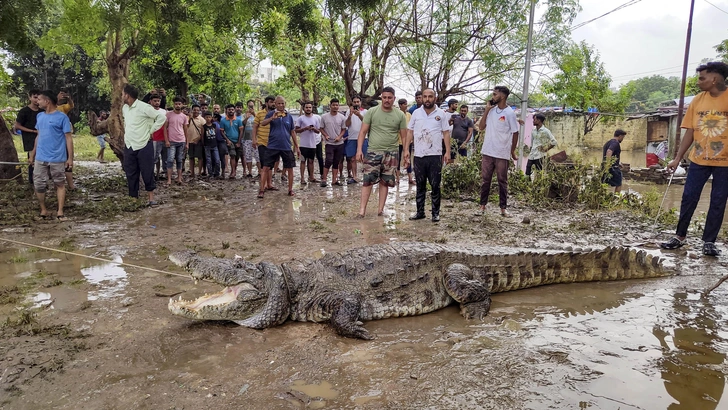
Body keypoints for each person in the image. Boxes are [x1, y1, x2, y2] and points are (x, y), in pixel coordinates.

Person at [661, 62, 728, 257]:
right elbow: (691, 131)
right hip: (698, 160)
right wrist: (677, 158)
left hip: (725, 163)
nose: (698, 82)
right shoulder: (698, 101)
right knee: (689, 197)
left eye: (702, 78)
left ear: (714, 79)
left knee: (718, 201)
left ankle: (709, 242)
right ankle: (679, 236)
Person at [355, 86, 407, 217]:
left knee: (385, 182)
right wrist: (359, 150)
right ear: (381, 98)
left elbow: (404, 136)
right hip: (373, 152)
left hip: (392, 153)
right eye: (384, 97)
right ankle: (362, 211)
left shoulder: (400, 115)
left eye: (390, 98)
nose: (387, 100)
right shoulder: (372, 112)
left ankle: (380, 210)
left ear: (394, 99)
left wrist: (406, 152)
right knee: (368, 181)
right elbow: (362, 132)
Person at [403, 89, 451, 222]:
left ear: (435, 98)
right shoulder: (416, 113)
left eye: (430, 96)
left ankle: (435, 213)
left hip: (435, 155)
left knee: (435, 185)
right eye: (425, 97)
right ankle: (420, 212)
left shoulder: (441, 114)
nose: (427, 99)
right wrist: (406, 149)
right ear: (422, 98)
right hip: (419, 155)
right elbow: (409, 131)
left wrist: (447, 151)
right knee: (420, 185)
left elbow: (446, 133)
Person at [29, 90, 73, 221]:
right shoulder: (40, 116)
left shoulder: (62, 117)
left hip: (57, 158)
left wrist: (70, 158)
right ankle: (43, 209)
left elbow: (68, 138)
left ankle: (60, 211)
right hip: (40, 157)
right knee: (39, 184)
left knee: (59, 183)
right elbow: (38, 136)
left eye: (40, 99)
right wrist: (32, 154)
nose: (37, 101)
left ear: (47, 101)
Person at [477, 85, 519, 217]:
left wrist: (512, 151)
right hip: (488, 151)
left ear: (503, 96)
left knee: (502, 180)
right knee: (485, 180)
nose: (493, 97)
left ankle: (503, 208)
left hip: (502, 152)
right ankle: (482, 207)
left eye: (495, 94)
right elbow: (482, 127)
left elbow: (515, 133)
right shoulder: (491, 110)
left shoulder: (509, 113)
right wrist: (486, 111)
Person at [121, 84, 166, 204]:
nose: (121, 96)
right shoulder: (125, 108)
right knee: (130, 172)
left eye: (122, 94)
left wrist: (151, 130)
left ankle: (151, 198)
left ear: (127, 95)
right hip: (129, 144)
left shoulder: (144, 107)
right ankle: (133, 198)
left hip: (144, 144)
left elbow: (161, 117)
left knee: (147, 171)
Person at [259, 96, 299, 197]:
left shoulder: (289, 116)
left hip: (286, 146)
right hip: (272, 145)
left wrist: (297, 146)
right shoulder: (271, 113)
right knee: (266, 167)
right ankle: (262, 190)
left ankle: (290, 190)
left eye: (283, 103)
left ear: (285, 104)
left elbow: (292, 132)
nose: (281, 105)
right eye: (279, 103)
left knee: (290, 168)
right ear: (275, 104)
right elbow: (262, 123)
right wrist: (272, 118)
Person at [15, 89, 42, 185]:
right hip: (30, 138)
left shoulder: (43, 111)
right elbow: (17, 126)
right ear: (30, 97)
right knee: (32, 159)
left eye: (39, 98)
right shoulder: (24, 111)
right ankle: (32, 181)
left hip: (42, 138)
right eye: (35, 97)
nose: (37, 100)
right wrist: (33, 131)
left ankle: (41, 181)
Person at [320, 98, 347, 187]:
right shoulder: (324, 117)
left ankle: (334, 180)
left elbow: (343, 129)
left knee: (336, 161)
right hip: (329, 143)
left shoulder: (342, 117)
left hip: (339, 143)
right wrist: (326, 135)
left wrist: (339, 137)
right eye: (333, 105)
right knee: (328, 160)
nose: (335, 107)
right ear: (330, 106)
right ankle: (324, 179)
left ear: (338, 106)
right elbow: (321, 128)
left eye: (337, 105)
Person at [253, 96, 276, 191]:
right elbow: (255, 127)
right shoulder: (259, 113)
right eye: (271, 102)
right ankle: (264, 184)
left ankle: (269, 184)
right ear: (266, 103)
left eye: (274, 102)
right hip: (262, 142)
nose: (273, 104)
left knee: (270, 164)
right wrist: (254, 139)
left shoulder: (277, 114)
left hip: (273, 142)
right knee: (264, 163)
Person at [295, 101, 321, 184]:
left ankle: (311, 177)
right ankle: (302, 178)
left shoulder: (316, 118)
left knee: (311, 161)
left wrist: (313, 129)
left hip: (313, 144)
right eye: (306, 107)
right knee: (303, 161)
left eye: (310, 107)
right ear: (304, 108)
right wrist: (305, 128)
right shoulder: (300, 118)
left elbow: (318, 131)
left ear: (312, 108)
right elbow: (296, 130)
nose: (308, 109)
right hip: (303, 144)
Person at [165, 96, 189, 185]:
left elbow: (186, 130)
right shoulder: (168, 114)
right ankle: (169, 179)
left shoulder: (184, 117)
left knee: (179, 159)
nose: (177, 105)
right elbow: (165, 128)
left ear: (182, 105)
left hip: (181, 140)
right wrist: (166, 140)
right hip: (171, 141)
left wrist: (187, 142)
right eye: (176, 104)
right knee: (170, 159)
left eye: (179, 104)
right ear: (173, 104)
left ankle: (179, 178)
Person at [344, 95, 367, 184]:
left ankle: (366, 176)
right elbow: (347, 124)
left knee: (364, 158)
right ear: (352, 103)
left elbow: (366, 122)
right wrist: (350, 115)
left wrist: (359, 115)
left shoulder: (365, 112)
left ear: (360, 103)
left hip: (364, 138)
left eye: (358, 102)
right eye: (355, 102)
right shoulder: (348, 112)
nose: (356, 103)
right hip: (352, 137)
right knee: (352, 159)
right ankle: (355, 176)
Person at [526, 113, 557, 177]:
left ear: (539, 120)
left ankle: (538, 186)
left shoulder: (546, 131)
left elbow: (554, 142)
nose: (533, 121)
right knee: (527, 172)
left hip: (540, 155)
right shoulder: (533, 131)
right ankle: (528, 185)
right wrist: (531, 149)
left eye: (534, 119)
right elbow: (532, 142)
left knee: (539, 173)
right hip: (532, 154)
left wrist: (546, 149)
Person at [220, 104, 244, 179]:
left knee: (237, 157)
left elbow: (241, 131)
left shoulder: (238, 120)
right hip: (229, 141)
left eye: (232, 109)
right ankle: (233, 172)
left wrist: (239, 142)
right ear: (226, 110)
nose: (231, 111)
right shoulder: (223, 120)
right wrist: (227, 140)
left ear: (234, 110)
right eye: (229, 109)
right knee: (232, 155)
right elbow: (222, 132)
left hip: (238, 140)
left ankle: (234, 170)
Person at [601, 129, 627, 193]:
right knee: (618, 184)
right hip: (612, 168)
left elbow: (612, 155)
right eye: (623, 137)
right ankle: (616, 199)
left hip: (604, 167)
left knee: (604, 183)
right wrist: (609, 164)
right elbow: (609, 151)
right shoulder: (615, 143)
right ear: (620, 136)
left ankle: (601, 198)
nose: (622, 139)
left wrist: (618, 163)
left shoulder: (608, 142)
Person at [149, 94, 168, 179]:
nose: (157, 103)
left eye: (158, 101)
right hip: (154, 137)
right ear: (151, 101)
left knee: (165, 157)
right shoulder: (148, 111)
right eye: (155, 101)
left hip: (164, 137)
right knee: (154, 157)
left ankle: (163, 173)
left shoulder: (164, 112)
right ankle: (152, 174)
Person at [397, 98, 414, 184]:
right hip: (398, 141)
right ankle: (397, 179)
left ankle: (410, 178)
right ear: (400, 105)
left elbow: (411, 127)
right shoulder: (397, 114)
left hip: (408, 141)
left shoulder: (409, 115)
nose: (406, 106)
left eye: (406, 104)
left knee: (408, 158)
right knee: (398, 159)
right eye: (404, 104)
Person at [187, 104, 206, 178]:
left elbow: (203, 131)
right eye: (194, 110)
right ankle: (192, 172)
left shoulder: (202, 120)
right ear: (192, 110)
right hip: (189, 140)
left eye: (197, 110)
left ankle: (199, 172)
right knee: (191, 157)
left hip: (198, 141)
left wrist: (198, 139)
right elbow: (186, 127)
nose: (196, 111)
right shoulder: (188, 118)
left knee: (200, 157)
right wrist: (189, 118)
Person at [242, 105, 260, 178]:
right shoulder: (244, 115)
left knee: (258, 156)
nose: (250, 109)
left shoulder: (257, 115)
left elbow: (260, 123)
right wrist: (247, 117)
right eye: (249, 107)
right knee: (248, 156)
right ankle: (249, 172)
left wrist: (254, 114)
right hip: (246, 138)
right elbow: (243, 124)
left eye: (252, 107)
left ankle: (260, 171)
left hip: (256, 138)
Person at [202, 111, 222, 178]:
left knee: (217, 160)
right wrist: (203, 144)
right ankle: (210, 173)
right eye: (207, 117)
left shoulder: (214, 125)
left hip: (214, 145)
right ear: (204, 118)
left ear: (211, 118)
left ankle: (217, 173)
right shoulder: (203, 127)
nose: (208, 118)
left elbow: (215, 133)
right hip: (207, 146)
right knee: (208, 160)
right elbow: (202, 136)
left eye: (209, 117)